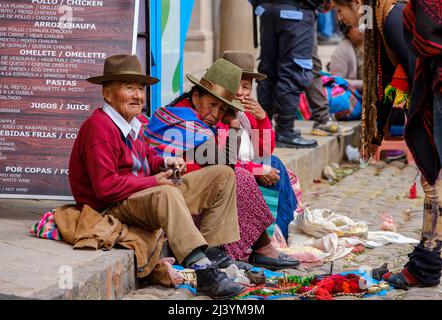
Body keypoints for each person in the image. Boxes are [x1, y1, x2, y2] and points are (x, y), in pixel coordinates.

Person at [68, 54, 247, 299]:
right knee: (166, 191)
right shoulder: (99, 128)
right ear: (108, 94)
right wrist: (155, 181)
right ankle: (204, 273)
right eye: (128, 88)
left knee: (222, 175)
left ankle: (210, 252)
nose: (137, 95)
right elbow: (105, 188)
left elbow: (147, 159)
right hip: (112, 206)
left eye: (140, 89)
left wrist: (165, 162)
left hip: (141, 196)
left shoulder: (132, 124)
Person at [144, 58, 300, 270]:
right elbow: (224, 160)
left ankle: (269, 243)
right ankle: (261, 248)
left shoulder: (203, 120)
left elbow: (257, 154)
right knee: (239, 177)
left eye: (221, 108)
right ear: (196, 94)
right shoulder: (182, 119)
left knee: (271, 166)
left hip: (193, 191)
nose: (215, 114)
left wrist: (261, 119)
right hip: (171, 196)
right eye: (212, 105)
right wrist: (234, 124)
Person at [332, 0, 442, 289]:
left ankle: (426, 264)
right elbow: (384, 78)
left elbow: (415, 69)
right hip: (429, 101)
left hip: (432, 101)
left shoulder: (392, 18)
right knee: (433, 185)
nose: (340, 18)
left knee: (435, 186)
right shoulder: (381, 20)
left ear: (357, 3)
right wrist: (376, 132)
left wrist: (418, 125)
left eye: (338, 9)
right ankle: (425, 263)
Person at [220, 50, 300, 241]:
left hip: (247, 167)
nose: (240, 92)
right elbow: (222, 158)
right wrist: (256, 170)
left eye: (246, 87)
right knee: (271, 166)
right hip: (230, 175)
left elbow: (263, 151)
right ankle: (278, 234)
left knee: (274, 163)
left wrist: (263, 119)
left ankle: (283, 229)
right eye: (235, 85)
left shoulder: (245, 115)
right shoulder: (219, 115)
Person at [253, 0, 328, 148]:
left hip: (267, 10)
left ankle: (263, 131)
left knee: (268, 70)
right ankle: (284, 131)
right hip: (296, 12)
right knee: (294, 72)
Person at [329, 24, 364, 92]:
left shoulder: (372, 43)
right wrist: (364, 84)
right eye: (356, 26)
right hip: (355, 96)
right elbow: (337, 80)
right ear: (347, 33)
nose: (361, 28)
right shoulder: (342, 50)